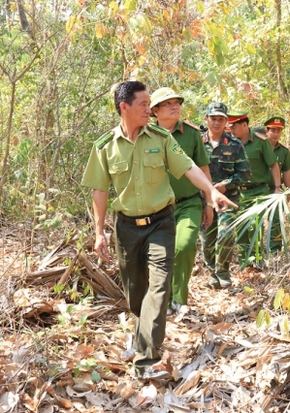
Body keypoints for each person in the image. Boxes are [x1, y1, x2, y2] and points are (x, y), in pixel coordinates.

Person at [81, 81, 236, 380]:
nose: (148, 110)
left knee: (160, 285)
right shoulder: (104, 146)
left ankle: (146, 358)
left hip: (161, 223)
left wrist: (210, 193)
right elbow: (99, 190)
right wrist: (100, 232)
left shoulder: (162, 138)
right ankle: (141, 337)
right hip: (126, 228)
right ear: (124, 107)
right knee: (136, 292)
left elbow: (189, 167)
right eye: (143, 105)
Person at [150, 87, 211, 315]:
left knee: (184, 246)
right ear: (155, 110)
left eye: (177, 102)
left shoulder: (192, 134)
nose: (175, 106)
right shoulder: (145, 134)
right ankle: (162, 302)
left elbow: (203, 168)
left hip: (189, 203)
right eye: (168, 103)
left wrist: (209, 202)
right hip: (156, 207)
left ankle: (179, 299)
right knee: (160, 254)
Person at [201, 102, 251, 288]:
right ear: (207, 119)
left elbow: (245, 173)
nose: (217, 122)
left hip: (228, 199)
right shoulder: (198, 143)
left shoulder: (235, 145)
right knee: (207, 238)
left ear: (226, 121)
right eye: (213, 118)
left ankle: (223, 272)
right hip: (204, 200)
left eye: (221, 119)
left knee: (226, 234)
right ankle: (212, 273)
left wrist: (226, 184)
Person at [227, 110, 281, 264]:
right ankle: (245, 260)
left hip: (258, 191)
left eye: (234, 127)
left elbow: (273, 165)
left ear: (244, 125)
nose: (232, 130)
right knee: (241, 227)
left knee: (255, 226)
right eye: (230, 127)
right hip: (238, 192)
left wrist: (277, 187)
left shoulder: (260, 141)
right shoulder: (230, 142)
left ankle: (257, 259)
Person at [264, 115, 290, 253]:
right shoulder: (258, 147)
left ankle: (274, 251)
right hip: (257, 189)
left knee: (275, 220)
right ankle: (254, 251)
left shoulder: (284, 152)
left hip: (274, 190)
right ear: (267, 130)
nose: (276, 134)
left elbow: (287, 174)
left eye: (279, 131)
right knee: (255, 222)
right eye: (273, 130)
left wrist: (289, 192)